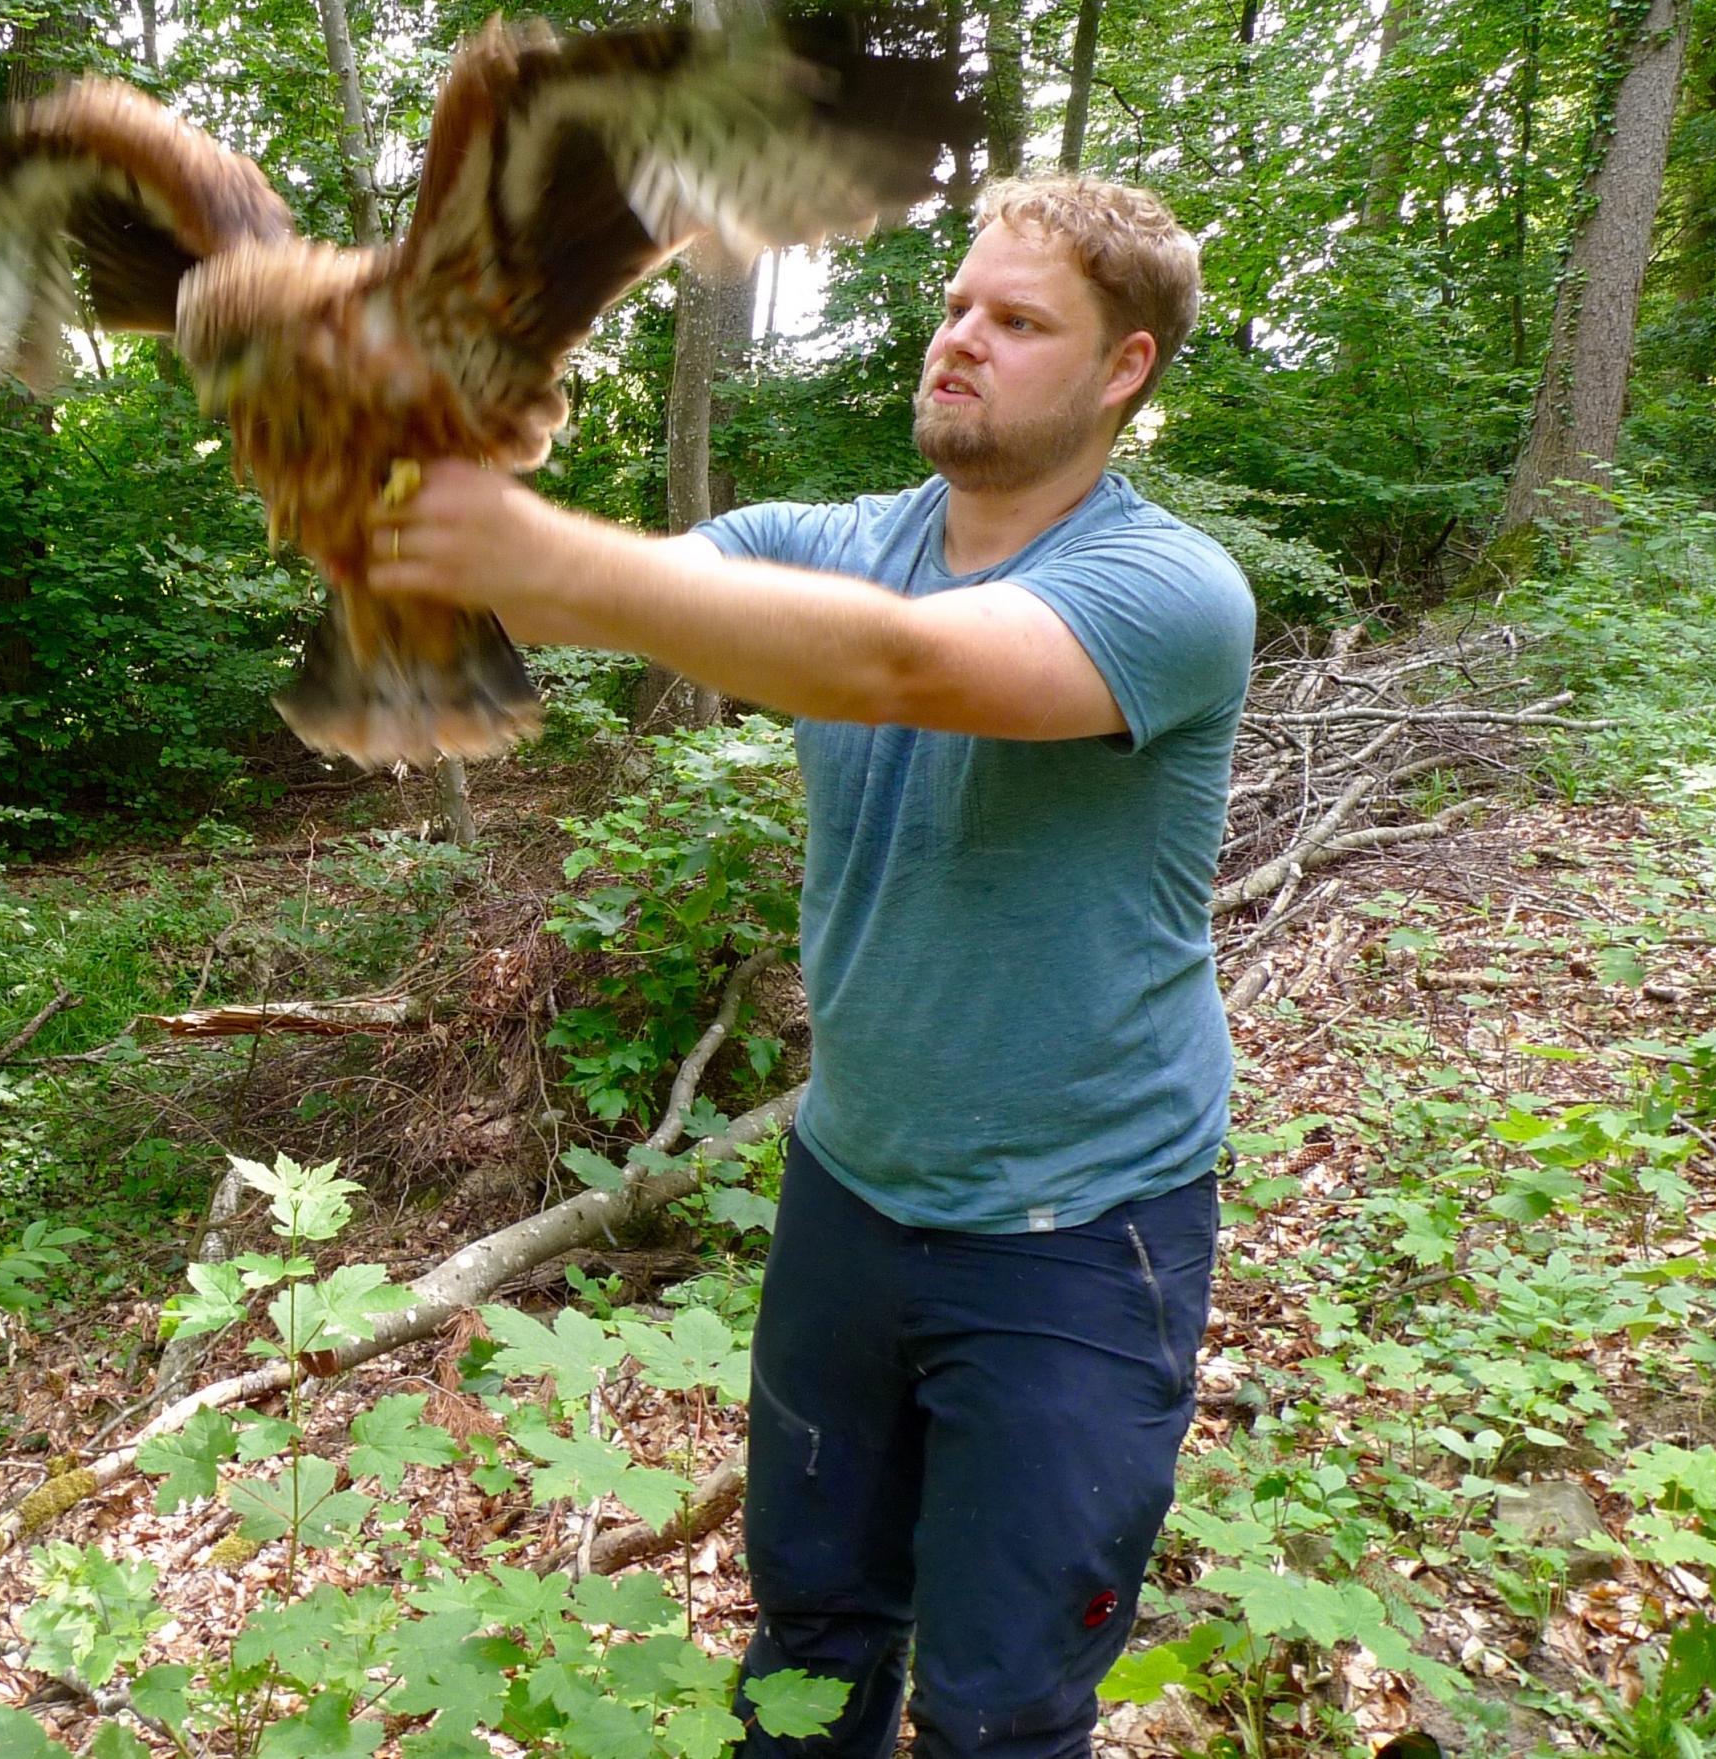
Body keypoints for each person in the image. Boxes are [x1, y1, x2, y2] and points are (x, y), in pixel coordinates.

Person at [364, 175, 1254, 1759]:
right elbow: (641, 596)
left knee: (1002, 1707)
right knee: (811, 1640)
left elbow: (913, 667)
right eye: (962, 304)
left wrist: (528, 548)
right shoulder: (832, 543)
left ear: (1124, 370)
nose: (963, 338)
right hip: (851, 1191)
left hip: (1078, 1230)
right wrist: (402, 466)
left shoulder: (1172, 592)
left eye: (1020, 322)